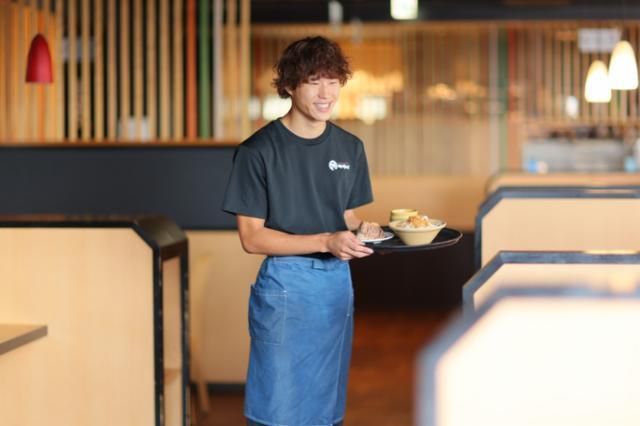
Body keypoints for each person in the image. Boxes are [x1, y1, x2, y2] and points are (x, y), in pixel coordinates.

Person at [222, 35, 376, 426]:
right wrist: (325, 240)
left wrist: (365, 228)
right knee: (278, 406)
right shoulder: (258, 151)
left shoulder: (350, 147)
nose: (326, 93)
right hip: (285, 285)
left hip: (336, 284)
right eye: (313, 81)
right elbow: (252, 237)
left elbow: (345, 214)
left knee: (326, 407)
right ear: (289, 86)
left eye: (333, 81)